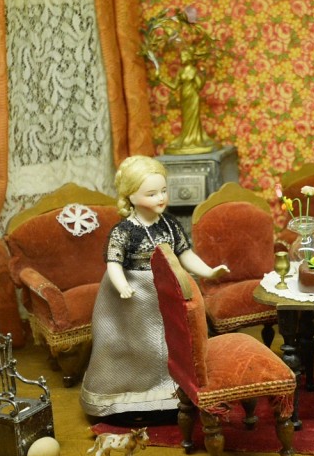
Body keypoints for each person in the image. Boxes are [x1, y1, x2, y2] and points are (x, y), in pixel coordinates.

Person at [80, 155, 229, 422]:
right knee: (134, 346)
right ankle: (126, 399)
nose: (160, 198)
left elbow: (185, 254)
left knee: (173, 343)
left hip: (168, 290)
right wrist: (122, 285)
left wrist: (209, 271)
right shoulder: (125, 230)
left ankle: (173, 395)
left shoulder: (169, 224)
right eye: (151, 194)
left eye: (163, 191)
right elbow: (113, 263)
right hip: (134, 296)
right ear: (131, 196)